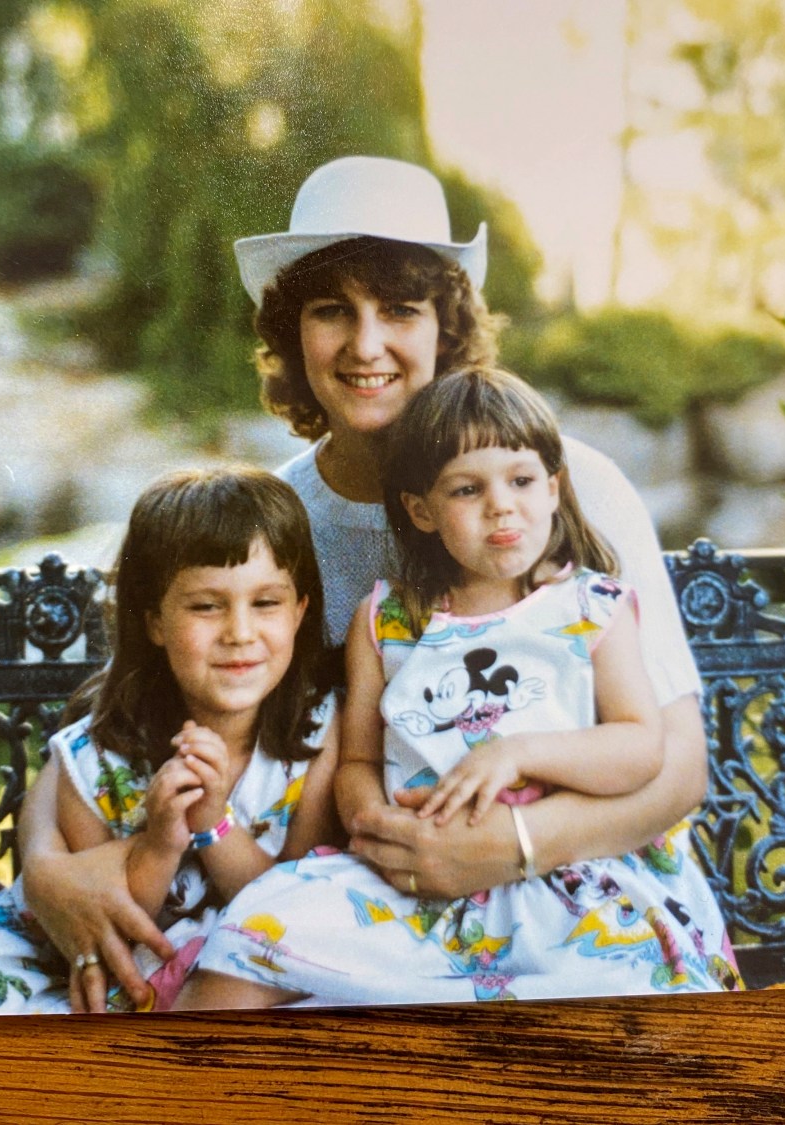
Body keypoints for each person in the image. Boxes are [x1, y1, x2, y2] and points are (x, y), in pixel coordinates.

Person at [17, 155, 711, 1012]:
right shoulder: (278, 515)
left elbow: (678, 770)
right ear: (291, 333)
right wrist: (44, 865)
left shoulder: (561, 487)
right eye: (330, 310)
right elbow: (134, 694)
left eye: (401, 309)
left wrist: (515, 845)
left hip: (569, 878)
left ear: (446, 330)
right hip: (358, 886)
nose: (366, 343)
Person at [172, 369, 739, 1009]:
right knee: (244, 952)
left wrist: (518, 754)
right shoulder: (387, 622)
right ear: (421, 510)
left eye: (521, 481)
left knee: (619, 1000)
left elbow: (642, 748)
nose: (501, 505)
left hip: (570, 880)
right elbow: (358, 761)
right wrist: (372, 820)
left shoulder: (592, 609)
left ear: (553, 490)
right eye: (468, 489)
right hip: (411, 875)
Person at [0, 467, 340, 1015]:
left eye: (265, 603)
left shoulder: (317, 731)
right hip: (87, 955)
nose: (240, 632)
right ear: (154, 622)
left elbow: (286, 901)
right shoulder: (98, 754)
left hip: (234, 956)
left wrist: (213, 821)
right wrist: (162, 840)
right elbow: (102, 919)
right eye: (206, 606)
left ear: (300, 611)